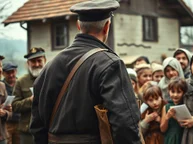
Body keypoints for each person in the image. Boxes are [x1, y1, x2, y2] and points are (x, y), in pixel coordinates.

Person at [30, 1, 141, 144]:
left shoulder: (49, 66)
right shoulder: (111, 64)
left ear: (78, 26)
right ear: (107, 27)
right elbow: (125, 125)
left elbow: (36, 125)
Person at [12, 47, 47, 144]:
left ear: (45, 60)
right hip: (27, 132)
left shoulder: (50, 79)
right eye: (33, 61)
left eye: (39, 61)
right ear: (28, 63)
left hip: (48, 129)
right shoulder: (21, 82)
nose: (36, 64)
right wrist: (30, 100)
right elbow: (14, 106)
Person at [160, 77, 187, 144]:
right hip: (170, 138)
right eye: (172, 91)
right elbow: (162, 129)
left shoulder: (186, 106)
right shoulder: (166, 107)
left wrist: (177, 117)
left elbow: (186, 125)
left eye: (179, 92)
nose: (175, 95)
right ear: (168, 91)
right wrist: (167, 117)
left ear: (184, 92)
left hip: (182, 138)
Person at [2, 62, 20, 144]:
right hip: (6, 123)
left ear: (16, 71)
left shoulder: (20, 83)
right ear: (3, 73)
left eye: (12, 72)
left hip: (19, 121)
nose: (11, 75)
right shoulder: (1, 86)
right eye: (8, 73)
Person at [0, 55, 12, 144]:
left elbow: (9, 111)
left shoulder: (2, 86)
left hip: (2, 136)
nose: (0, 70)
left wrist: (5, 113)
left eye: (0, 66)